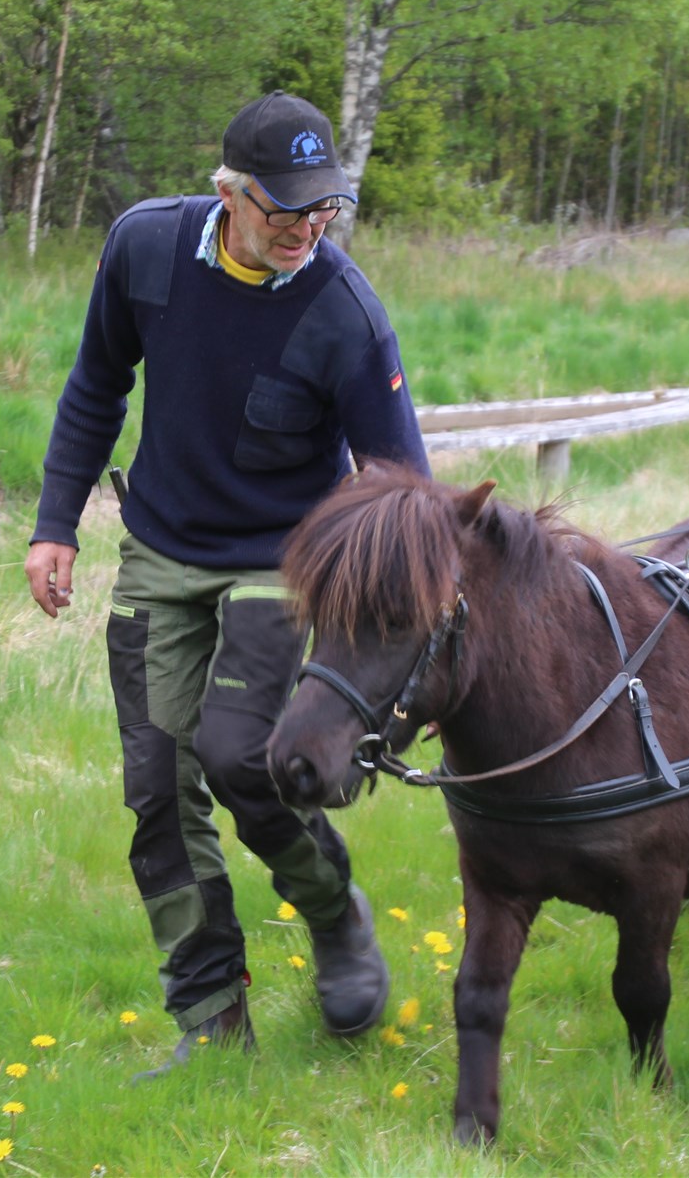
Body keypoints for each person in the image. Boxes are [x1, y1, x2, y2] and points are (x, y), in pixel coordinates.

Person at [26, 91, 431, 1078]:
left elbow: (401, 489)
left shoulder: (344, 312)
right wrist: (54, 526)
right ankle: (210, 1020)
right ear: (228, 196)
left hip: (282, 558)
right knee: (157, 790)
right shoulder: (146, 251)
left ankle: (332, 910)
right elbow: (95, 384)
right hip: (163, 548)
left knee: (240, 758)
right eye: (283, 209)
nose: (305, 228)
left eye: (322, 208)